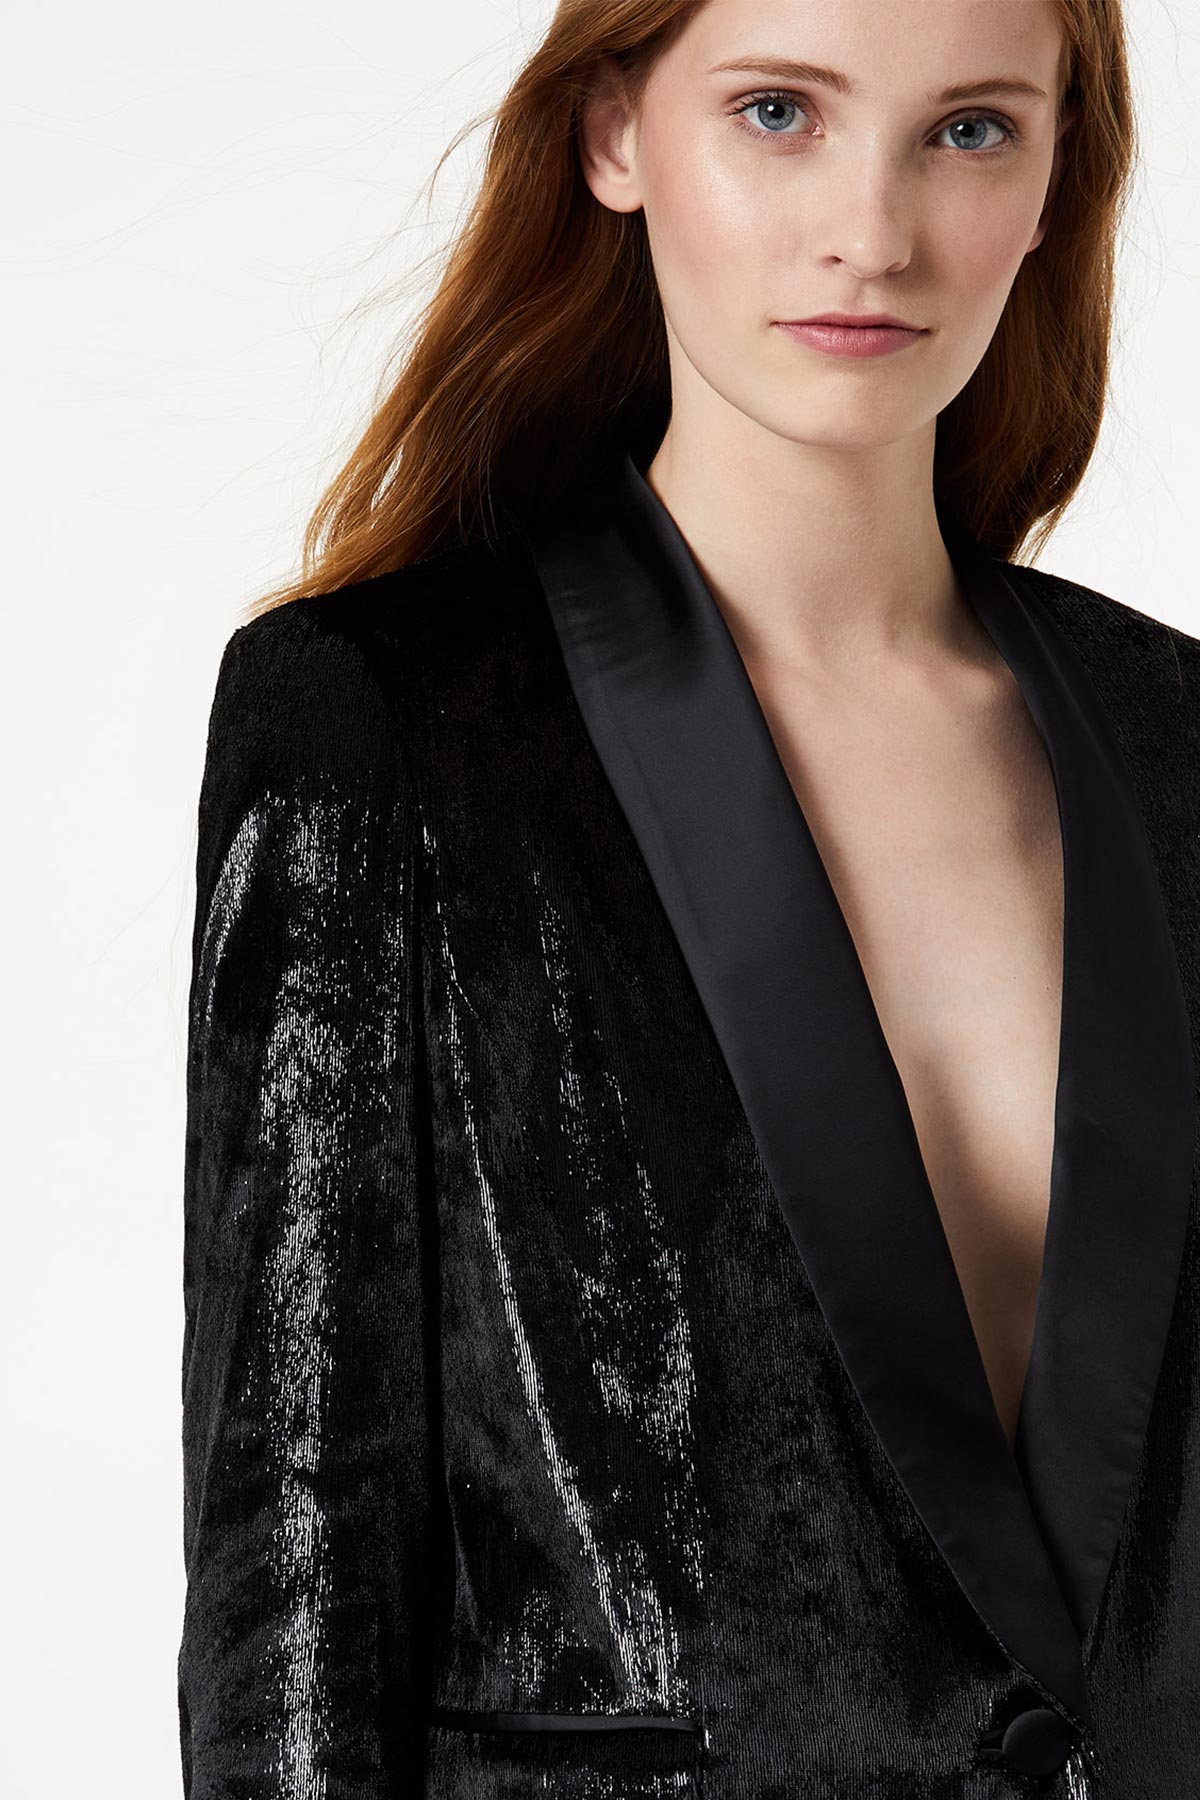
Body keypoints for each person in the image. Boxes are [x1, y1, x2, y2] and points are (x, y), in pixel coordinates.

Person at [177, 0, 1200, 1794]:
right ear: (613, 137)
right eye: (781, 112)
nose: (872, 230)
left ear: (1056, 181)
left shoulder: (1176, 740)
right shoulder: (385, 720)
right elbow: (301, 1585)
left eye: (970, 129)